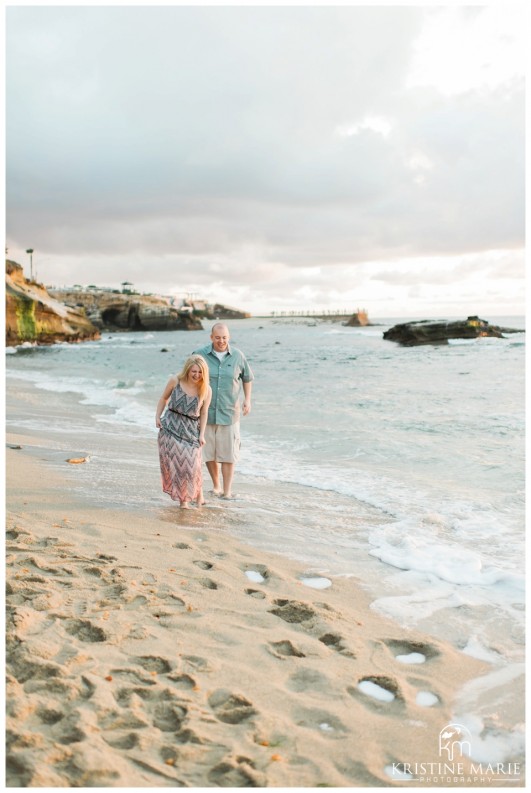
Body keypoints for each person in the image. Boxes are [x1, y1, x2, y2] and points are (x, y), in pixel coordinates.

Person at [193, 323, 254, 499]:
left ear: (229, 337)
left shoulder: (238, 356)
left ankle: (227, 492)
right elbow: (191, 376)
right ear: (211, 337)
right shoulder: (199, 355)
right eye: (218, 337)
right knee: (209, 453)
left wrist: (247, 400)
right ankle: (216, 486)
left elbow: (247, 378)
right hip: (205, 413)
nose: (221, 341)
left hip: (230, 413)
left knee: (228, 455)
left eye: (224, 337)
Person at [156, 355, 212, 509]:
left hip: (191, 429)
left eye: (200, 372)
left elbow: (204, 412)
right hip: (171, 427)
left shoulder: (206, 389)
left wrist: (202, 434)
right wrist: (157, 417)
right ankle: (184, 501)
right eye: (194, 371)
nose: (196, 375)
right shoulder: (176, 381)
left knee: (194, 466)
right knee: (180, 467)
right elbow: (163, 399)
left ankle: (198, 495)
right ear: (187, 369)